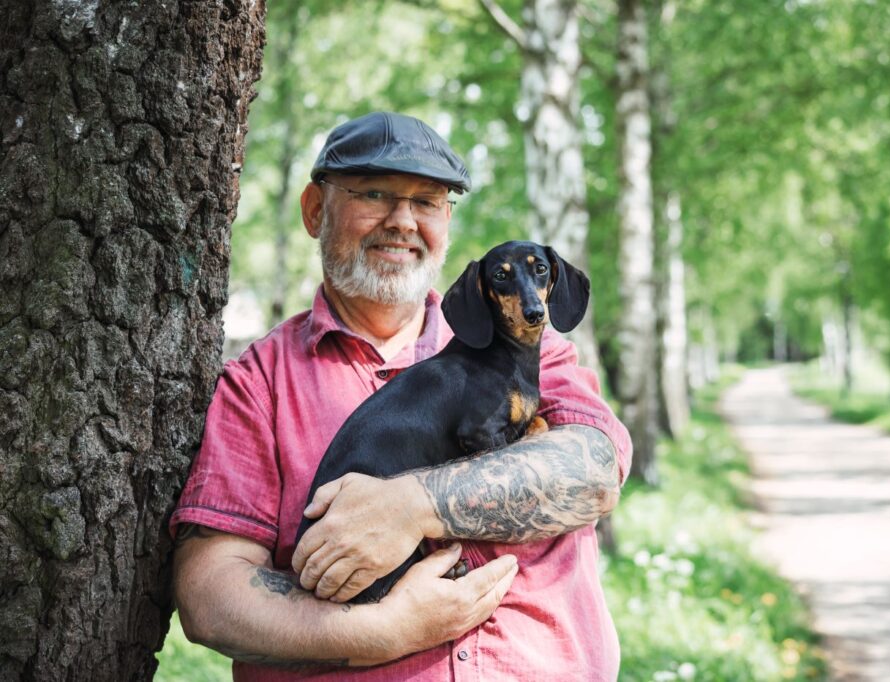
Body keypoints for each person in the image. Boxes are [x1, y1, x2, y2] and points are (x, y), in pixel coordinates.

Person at [171, 111, 633, 681]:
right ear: (315, 210)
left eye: (427, 201)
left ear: (446, 219)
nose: (403, 221)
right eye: (374, 194)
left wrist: (413, 506)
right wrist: (382, 632)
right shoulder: (258, 383)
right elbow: (209, 597)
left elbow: (596, 471)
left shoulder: (534, 349)